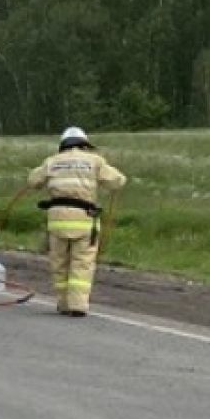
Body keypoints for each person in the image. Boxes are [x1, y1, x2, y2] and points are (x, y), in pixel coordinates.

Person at [27, 126, 126, 317]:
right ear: (85, 144)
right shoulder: (94, 161)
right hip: (84, 220)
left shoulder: (52, 161)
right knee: (82, 263)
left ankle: (63, 303)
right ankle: (78, 306)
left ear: (63, 144)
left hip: (57, 221)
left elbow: (33, 181)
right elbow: (118, 181)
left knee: (59, 263)